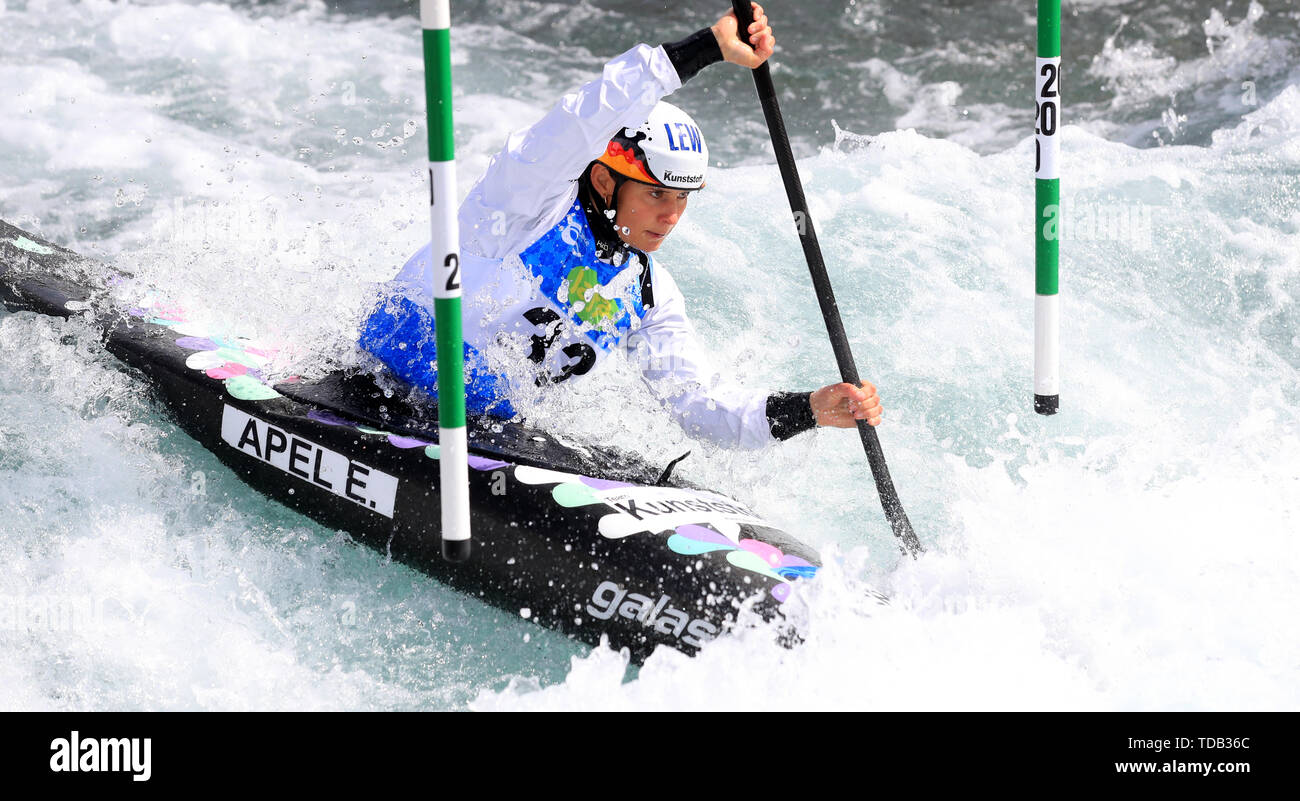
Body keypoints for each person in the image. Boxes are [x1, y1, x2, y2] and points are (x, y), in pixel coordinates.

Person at [360, 3, 882, 450]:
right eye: (656, 194)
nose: (670, 216)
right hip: (376, 380)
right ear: (606, 182)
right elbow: (582, 118)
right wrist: (704, 49)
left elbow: (696, 405)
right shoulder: (526, 202)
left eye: (681, 199)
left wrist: (808, 409)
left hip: (482, 432)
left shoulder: (648, 293)